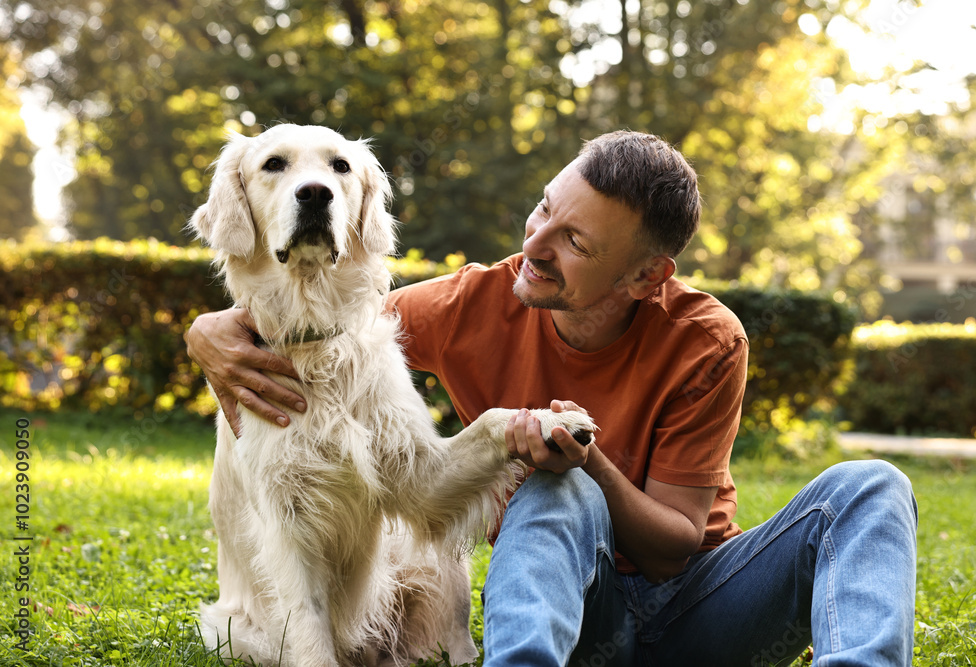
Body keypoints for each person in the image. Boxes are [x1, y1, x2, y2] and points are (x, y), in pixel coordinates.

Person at [185, 130, 918, 666]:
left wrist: (587, 461)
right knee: (550, 486)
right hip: (571, 621)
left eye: (574, 242)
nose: (535, 245)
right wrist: (208, 330)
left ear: (643, 277)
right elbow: (331, 322)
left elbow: (671, 549)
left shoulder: (707, 339)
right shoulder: (475, 299)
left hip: (700, 617)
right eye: (543, 211)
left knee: (872, 486)